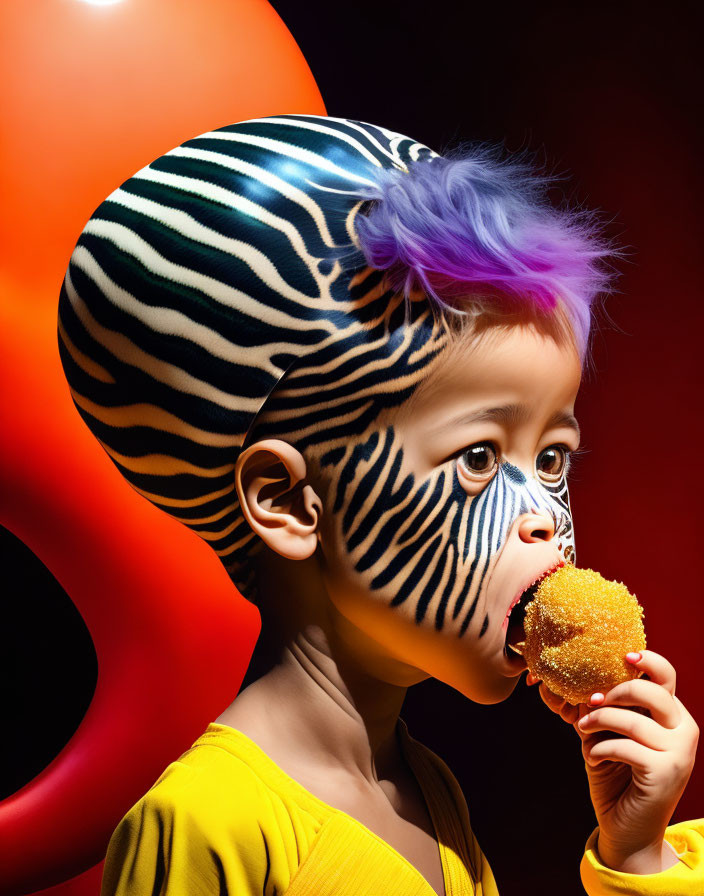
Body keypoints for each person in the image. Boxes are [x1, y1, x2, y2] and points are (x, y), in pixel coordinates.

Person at [57, 114, 701, 895]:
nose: (542, 515)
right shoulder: (208, 821)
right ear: (290, 501)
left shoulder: (428, 792)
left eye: (552, 456)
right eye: (477, 458)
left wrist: (635, 854)